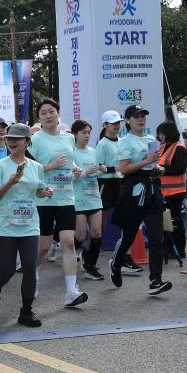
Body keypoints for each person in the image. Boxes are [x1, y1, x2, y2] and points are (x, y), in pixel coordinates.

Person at [0, 123, 53, 327]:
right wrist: (11, 182)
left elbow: (38, 190)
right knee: (8, 269)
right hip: (5, 223)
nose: (11, 141)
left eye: (17, 139)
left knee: (30, 267)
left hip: (29, 222)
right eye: (9, 139)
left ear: (27, 142)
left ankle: (26, 312)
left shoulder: (36, 167)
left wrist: (45, 192)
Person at [108, 105, 172, 295]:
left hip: (152, 190)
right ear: (127, 121)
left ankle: (155, 281)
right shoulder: (125, 142)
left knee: (155, 237)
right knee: (128, 236)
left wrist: (158, 167)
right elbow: (123, 169)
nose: (141, 119)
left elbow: (154, 164)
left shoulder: (151, 139)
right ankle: (116, 263)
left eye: (143, 115)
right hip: (134, 191)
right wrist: (146, 161)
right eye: (136, 116)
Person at [30, 99, 88, 308]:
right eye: (43, 113)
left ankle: (71, 291)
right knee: (44, 246)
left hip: (66, 197)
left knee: (68, 243)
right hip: (44, 197)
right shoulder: (35, 140)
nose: (48, 115)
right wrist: (51, 166)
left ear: (58, 114)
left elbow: (69, 160)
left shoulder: (68, 138)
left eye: (51, 111)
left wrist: (75, 169)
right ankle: (32, 275)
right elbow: (30, 168)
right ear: (39, 117)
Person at [95, 110, 143, 275]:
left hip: (121, 184)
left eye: (118, 122)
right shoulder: (102, 144)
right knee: (98, 227)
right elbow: (97, 169)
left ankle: (124, 258)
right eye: (113, 123)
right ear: (105, 125)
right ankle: (89, 256)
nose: (116, 125)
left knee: (127, 221)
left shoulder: (123, 141)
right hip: (104, 185)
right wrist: (116, 168)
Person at [71, 120, 107, 280]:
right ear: (75, 134)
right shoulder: (70, 153)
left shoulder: (93, 151)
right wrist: (86, 172)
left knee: (97, 232)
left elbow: (95, 172)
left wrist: (101, 170)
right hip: (78, 198)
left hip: (94, 197)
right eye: (83, 132)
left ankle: (90, 264)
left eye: (89, 133)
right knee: (80, 235)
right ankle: (68, 252)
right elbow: (70, 178)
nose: (87, 136)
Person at [156, 121, 187, 262]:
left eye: (161, 133)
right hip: (163, 191)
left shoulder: (180, 148)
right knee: (165, 222)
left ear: (166, 133)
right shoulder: (162, 148)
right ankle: (168, 249)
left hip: (176, 192)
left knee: (175, 221)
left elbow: (180, 168)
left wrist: (163, 170)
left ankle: (180, 250)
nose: (159, 136)